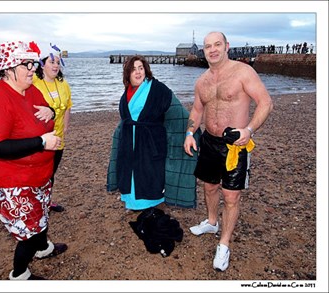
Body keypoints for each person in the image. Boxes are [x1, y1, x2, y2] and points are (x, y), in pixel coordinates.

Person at [0, 40, 68, 280]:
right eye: (25, 64)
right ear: (8, 70)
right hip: (13, 182)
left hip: (39, 176)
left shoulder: (30, 89)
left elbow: (45, 108)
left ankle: (44, 249)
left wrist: (50, 109)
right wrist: (40, 142)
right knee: (29, 232)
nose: (32, 69)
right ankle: (20, 274)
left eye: (32, 63)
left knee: (41, 218)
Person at [183, 32, 273, 272]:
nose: (212, 50)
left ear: (227, 46)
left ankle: (224, 244)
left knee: (231, 195)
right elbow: (197, 109)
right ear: (203, 51)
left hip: (236, 143)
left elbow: (265, 102)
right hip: (210, 142)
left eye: (217, 44)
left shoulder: (243, 72)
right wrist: (190, 134)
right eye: (207, 46)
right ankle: (212, 223)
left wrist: (249, 130)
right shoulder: (201, 81)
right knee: (209, 185)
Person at [107, 55, 201, 211]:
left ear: (146, 70)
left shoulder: (157, 89)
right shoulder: (128, 91)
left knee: (149, 173)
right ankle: (132, 202)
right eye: (133, 69)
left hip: (150, 142)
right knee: (129, 172)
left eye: (141, 68)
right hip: (129, 141)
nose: (137, 72)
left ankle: (150, 203)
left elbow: (179, 112)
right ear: (128, 73)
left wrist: (190, 132)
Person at [33, 43, 73, 213]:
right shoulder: (33, 83)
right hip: (39, 139)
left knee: (51, 173)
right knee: (37, 174)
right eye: (51, 62)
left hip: (58, 138)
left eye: (58, 62)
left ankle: (46, 202)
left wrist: (65, 128)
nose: (56, 65)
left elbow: (68, 106)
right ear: (42, 64)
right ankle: (34, 204)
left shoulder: (63, 84)